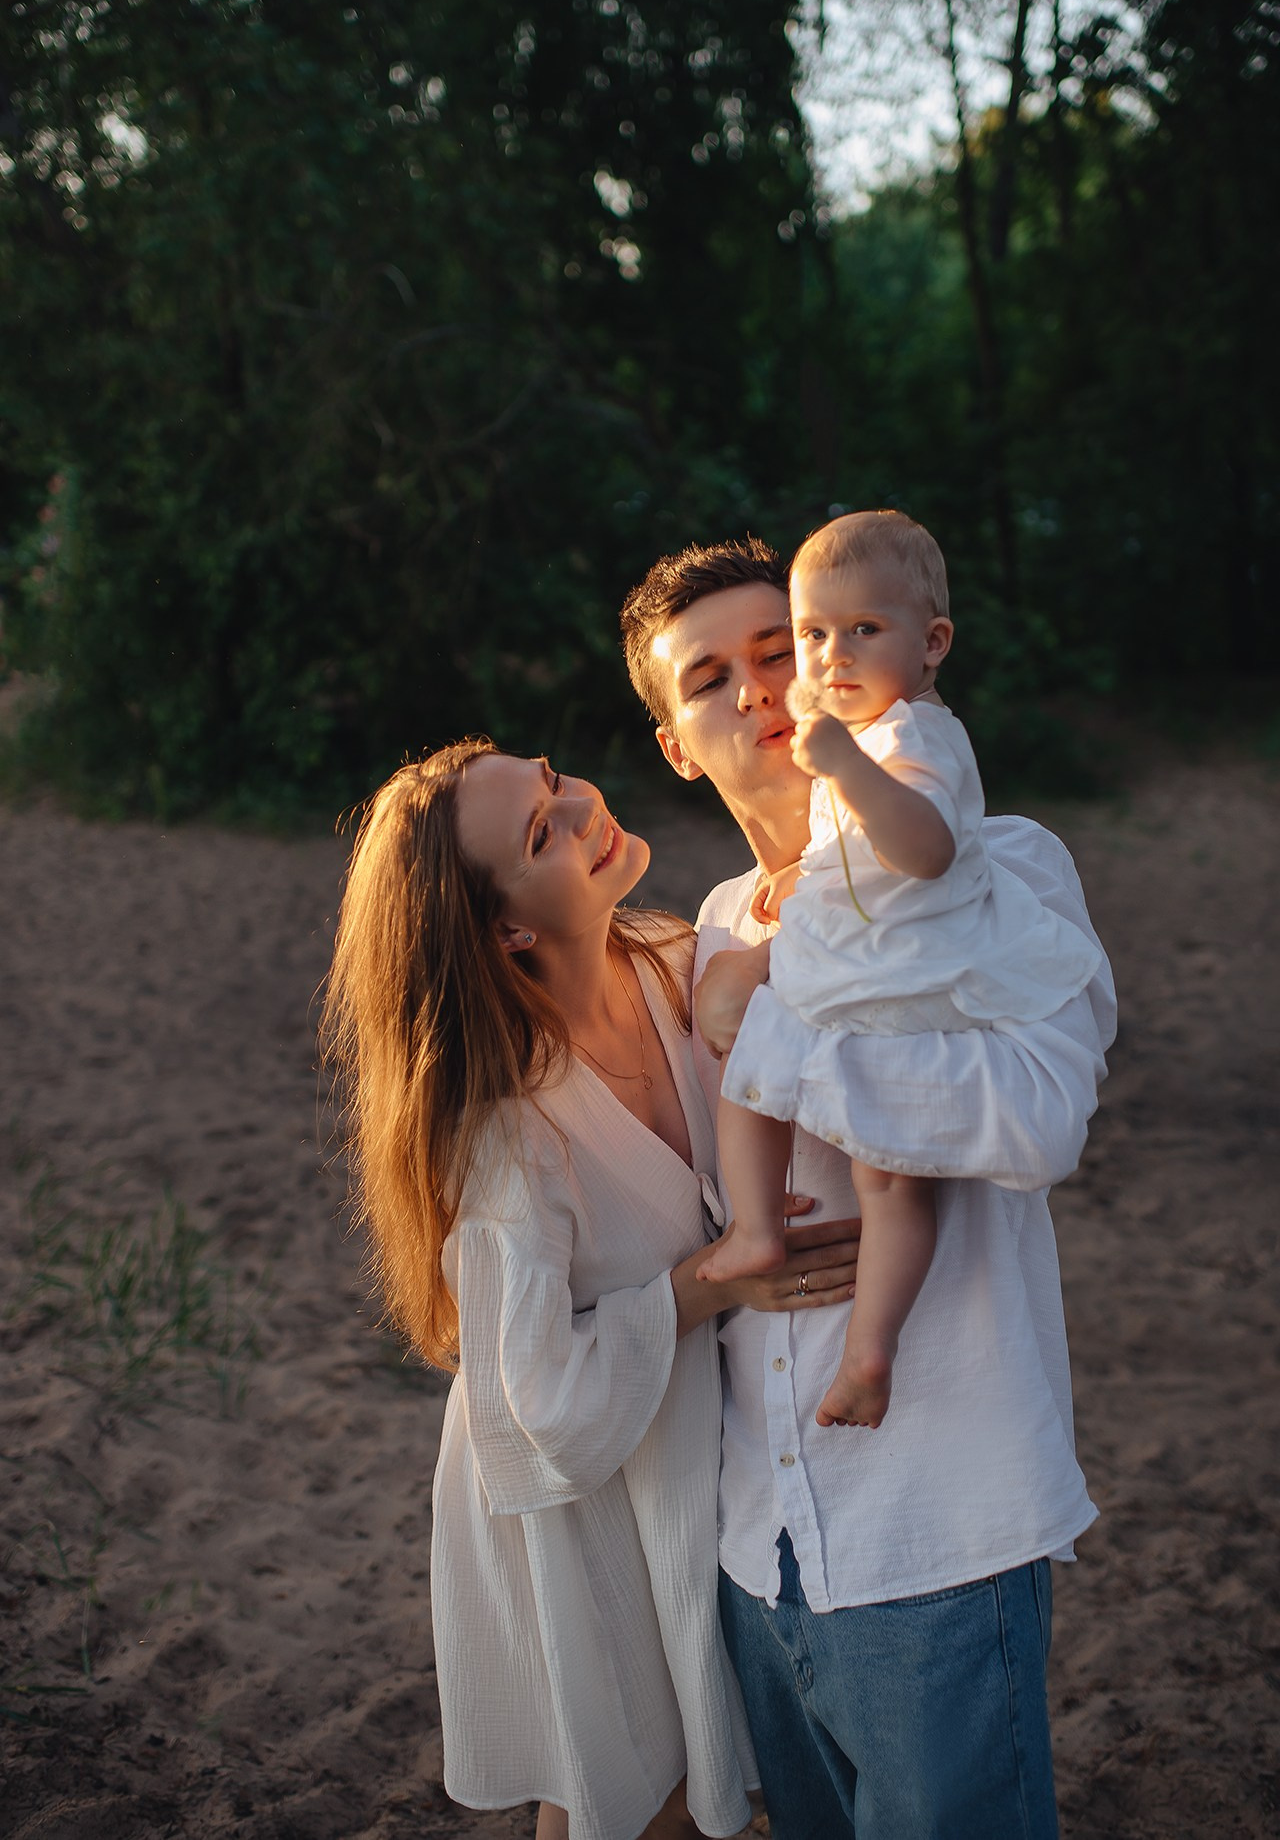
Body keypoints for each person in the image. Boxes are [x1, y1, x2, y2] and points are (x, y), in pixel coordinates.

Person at [621, 537, 1117, 1840]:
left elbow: (1036, 1119)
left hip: (934, 1525)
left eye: (776, 650)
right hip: (755, 1545)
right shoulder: (705, 927)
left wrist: (770, 1019)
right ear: (677, 748)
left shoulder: (999, 867)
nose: (759, 688)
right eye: (710, 678)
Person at [320, 739, 861, 1840]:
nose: (580, 808)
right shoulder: (507, 1132)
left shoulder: (670, 961)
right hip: (575, 1497)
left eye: (553, 780)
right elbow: (537, 1409)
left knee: (671, 1786)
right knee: (629, 1799)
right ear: (506, 929)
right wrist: (715, 1278)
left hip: (680, 1459)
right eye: (540, 833)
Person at [698, 512, 1100, 1431]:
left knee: (804, 1108)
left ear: (933, 644)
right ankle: (817, 1294)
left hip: (896, 984)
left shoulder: (919, 750)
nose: (826, 659)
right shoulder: (718, 912)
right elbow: (847, 869)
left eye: (861, 630)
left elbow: (925, 849)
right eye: (811, 636)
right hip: (869, 978)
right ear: (675, 747)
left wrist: (844, 766)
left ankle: (824, 1298)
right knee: (845, 1153)